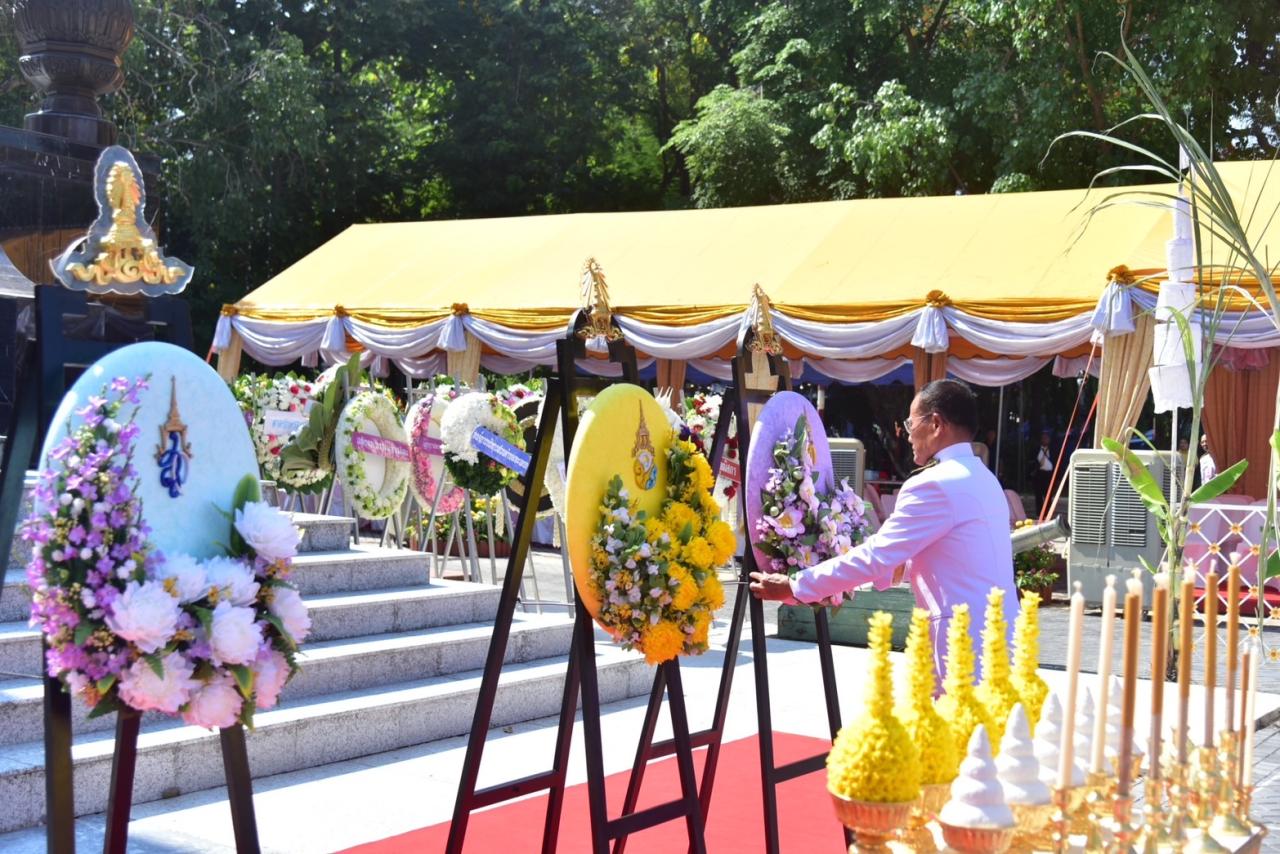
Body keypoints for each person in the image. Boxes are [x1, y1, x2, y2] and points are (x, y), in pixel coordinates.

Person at [750, 379, 1018, 685]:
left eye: (910, 423)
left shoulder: (934, 483)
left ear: (935, 424)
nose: (906, 434)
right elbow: (954, 558)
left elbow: (877, 557)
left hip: (964, 648)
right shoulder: (985, 478)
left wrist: (796, 585)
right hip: (1001, 639)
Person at [1033, 430, 1054, 512]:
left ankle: (1048, 512)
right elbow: (1034, 461)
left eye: (1046, 438)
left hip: (1049, 475)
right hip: (1039, 474)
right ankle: (1039, 513)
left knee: (1048, 494)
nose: (1045, 439)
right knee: (1038, 494)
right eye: (1043, 438)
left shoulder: (1053, 450)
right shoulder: (1036, 449)